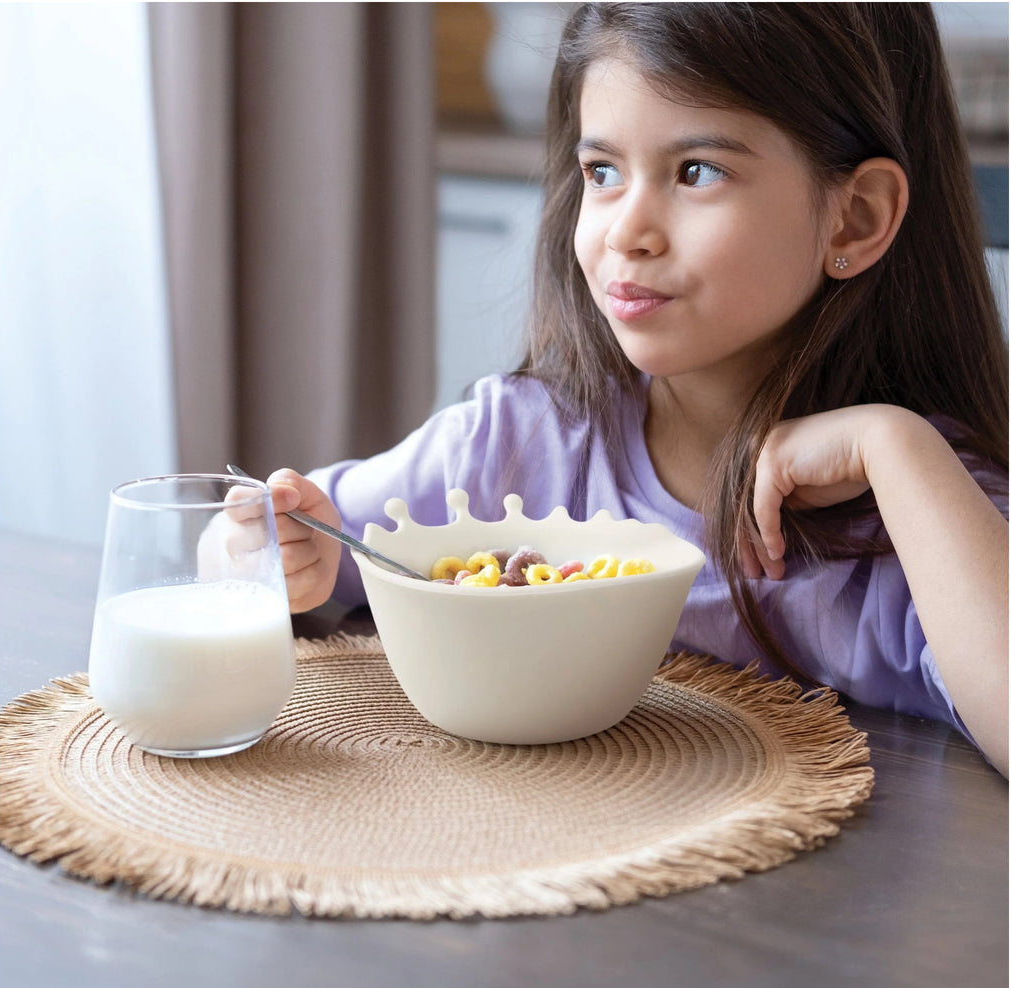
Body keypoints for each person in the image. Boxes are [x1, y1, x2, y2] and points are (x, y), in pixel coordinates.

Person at [227, 4, 1010, 773]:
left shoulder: (916, 516)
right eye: (602, 171)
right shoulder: (516, 448)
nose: (625, 231)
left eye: (696, 172)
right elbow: (251, 545)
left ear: (854, 219)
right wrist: (277, 552)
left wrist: (895, 444)